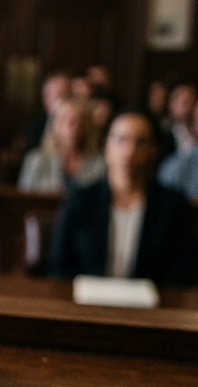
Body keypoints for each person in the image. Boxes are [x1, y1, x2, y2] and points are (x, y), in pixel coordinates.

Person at [49, 111, 191, 284]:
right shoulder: (81, 199)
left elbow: (180, 272)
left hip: (150, 305)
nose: (129, 151)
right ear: (106, 145)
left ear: (153, 150)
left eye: (140, 142)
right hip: (87, 303)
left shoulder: (171, 205)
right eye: (121, 140)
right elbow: (58, 264)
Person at [17, 98, 104, 193]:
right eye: (64, 119)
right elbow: (23, 199)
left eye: (77, 121)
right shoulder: (36, 160)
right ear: (53, 125)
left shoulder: (99, 164)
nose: (70, 127)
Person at [24, 72, 71, 152]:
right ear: (46, 101)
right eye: (58, 96)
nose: (63, 101)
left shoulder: (83, 125)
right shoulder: (36, 128)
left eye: (67, 95)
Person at [164, 82, 197, 157]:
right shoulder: (162, 135)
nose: (186, 107)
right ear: (170, 104)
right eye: (183, 102)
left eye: (190, 100)